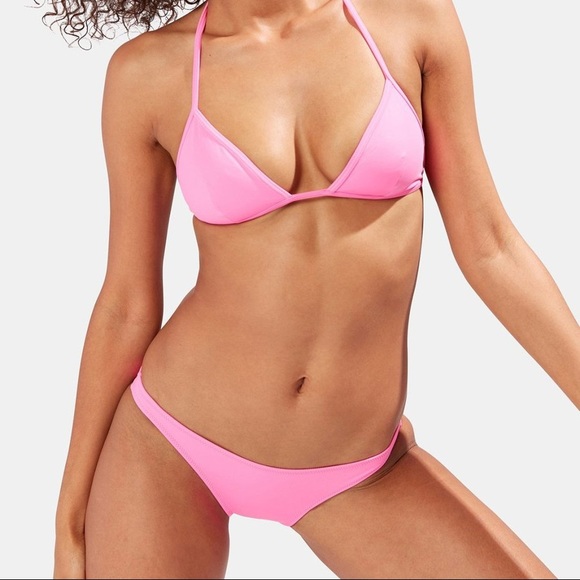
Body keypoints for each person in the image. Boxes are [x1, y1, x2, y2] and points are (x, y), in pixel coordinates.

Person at [44, 0, 579, 578]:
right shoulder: (148, 72)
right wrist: (70, 521)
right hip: (173, 442)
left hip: (354, 465)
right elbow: (126, 305)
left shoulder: (408, 20)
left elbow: (492, 249)